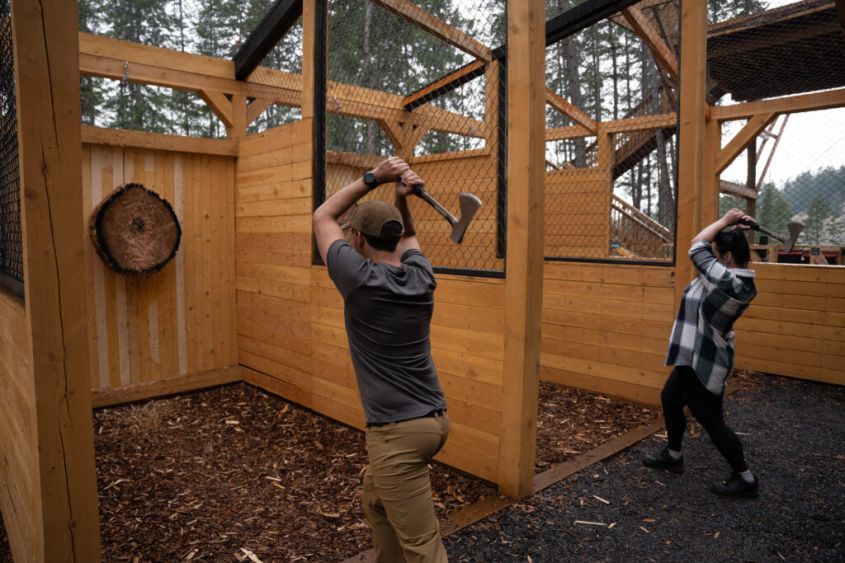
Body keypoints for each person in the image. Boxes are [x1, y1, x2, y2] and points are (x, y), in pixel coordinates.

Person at [313, 156, 450, 562]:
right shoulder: (421, 278)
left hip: (398, 434)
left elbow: (324, 215)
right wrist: (402, 198)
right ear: (392, 237)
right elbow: (409, 238)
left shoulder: (359, 280)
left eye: (352, 233)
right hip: (433, 420)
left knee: (423, 546)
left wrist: (376, 177)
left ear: (356, 239)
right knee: (376, 503)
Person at [643, 208, 760, 497]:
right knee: (670, 400)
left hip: (701, 360)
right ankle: (673, 455)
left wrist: (726, 221)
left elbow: (696, 245)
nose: (711, 253)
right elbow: (706, 249)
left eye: (717, 251)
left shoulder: (727, 282)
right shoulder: (731, 277)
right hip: (692, 354)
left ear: (727, 258)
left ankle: (745, 478)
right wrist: (731, 232)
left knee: (713, 422)